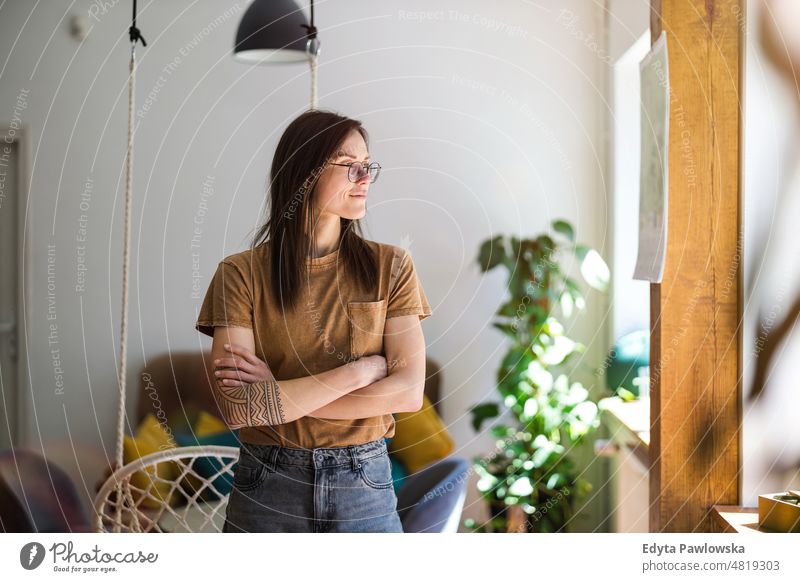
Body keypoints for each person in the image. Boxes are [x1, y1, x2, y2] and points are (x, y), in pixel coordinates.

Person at [195, 109, 432, 532]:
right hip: (267, 485)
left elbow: (409, 392)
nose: (364, 178)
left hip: (364, 484)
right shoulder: (239, 274)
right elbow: (238, 409)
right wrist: (362, 371)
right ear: (303, 172)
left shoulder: (391, 266)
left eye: (367, 166)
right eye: (349, 165)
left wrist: (279, 399)